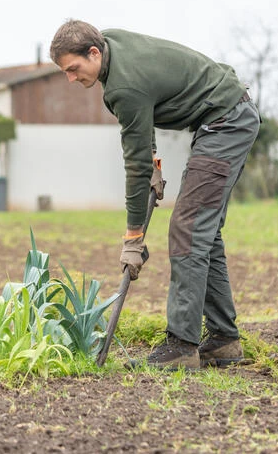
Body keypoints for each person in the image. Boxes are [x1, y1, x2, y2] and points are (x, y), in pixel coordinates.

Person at [50, 19, 260, 370]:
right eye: (65, 72)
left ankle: (182, 346)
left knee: (188, 228)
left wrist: (133, 237)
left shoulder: (122, 87)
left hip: (226, 123)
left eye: (74, 69)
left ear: (94, 52)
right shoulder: (112, 45)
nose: (71, 79)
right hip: (225, 117)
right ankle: (224, 341)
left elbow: (134, 167)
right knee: (202, 233)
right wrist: (153, 163)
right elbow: (142, 140)